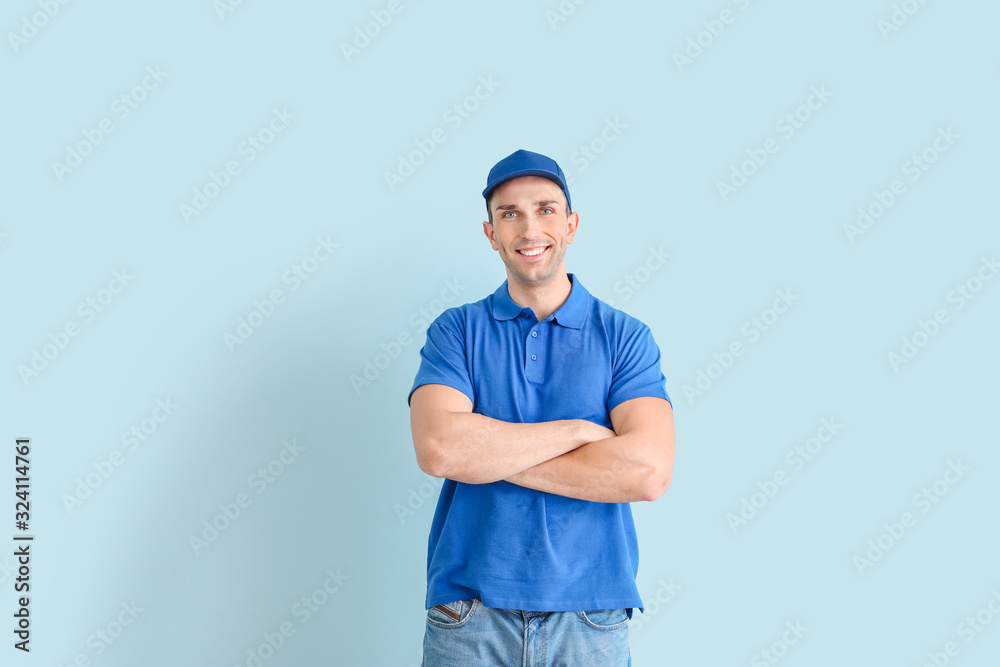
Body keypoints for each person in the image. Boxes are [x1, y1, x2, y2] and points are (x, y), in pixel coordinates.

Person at [408, 149, 675, 666]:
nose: (530, 228)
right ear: (490, 232)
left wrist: (488, 455)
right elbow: (441, 449)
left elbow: (647, 472)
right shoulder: (456, 331)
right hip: (468, 612)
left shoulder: (624, 337)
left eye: (546, 210)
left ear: (571, 225)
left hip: (591, 616)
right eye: (510, 214)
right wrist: (580, 431)